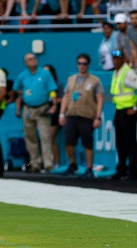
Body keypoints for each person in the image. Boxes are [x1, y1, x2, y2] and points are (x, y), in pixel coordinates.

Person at [58, 53, 104, 179]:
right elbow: (66, 97)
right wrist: (62, 114)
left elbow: (100, 99)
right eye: (79, 63)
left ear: (88, 65)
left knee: (87, 143)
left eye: (84, 63)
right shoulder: (71, 79)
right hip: (72, 114)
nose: (81, 66)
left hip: (86, 115)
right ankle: (73, 164)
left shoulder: (95, 80)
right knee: (68, 142)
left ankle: (89, 167)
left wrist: (98, 117)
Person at [13, 53, 58, 173]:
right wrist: (25, 94)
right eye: (29, 59)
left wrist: (54, 105)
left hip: (42, 108)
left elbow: (52, 90)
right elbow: (16, 89)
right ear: (25, 63)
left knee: (45, 136)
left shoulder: (45, 73)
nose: (32, 61)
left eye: (33, 58)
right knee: (30, 137)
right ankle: (35, 163)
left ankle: (48, 164)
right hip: (28, 109)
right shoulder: (23, 76)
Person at [109, 49, 137, 180]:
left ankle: (133, 170)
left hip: (128, 111)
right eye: (114, 58)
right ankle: (121, 169)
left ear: (123, 58)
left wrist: (135, 108)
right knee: (120, 142)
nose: (115, 61)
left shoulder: (128, 73)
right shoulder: (116, 72)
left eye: (118, 58)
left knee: (130, 142)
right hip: (119, 110)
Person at [43, 64, 64, 171]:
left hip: (54, 114)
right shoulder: (40, 84)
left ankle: (57, 163)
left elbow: (62, 99)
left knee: (51, 138)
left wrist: (53, 100)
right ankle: (46, 162)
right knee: (43, 139)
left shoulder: (57, 84)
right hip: (43, 113)